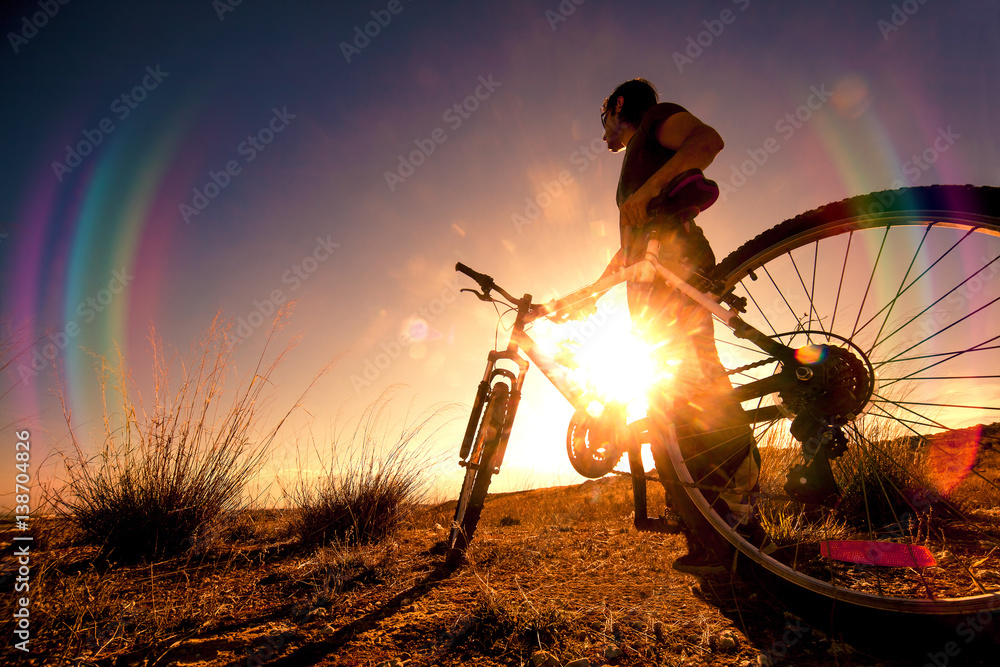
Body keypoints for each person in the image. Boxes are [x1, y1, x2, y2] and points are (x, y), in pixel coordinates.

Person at [597, 78, 760, 576]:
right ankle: (710, 531)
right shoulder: (634, 160)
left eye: (602, 116)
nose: (601, 130)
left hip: (677, 271)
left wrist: (647, 189)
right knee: (671, 403)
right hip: (651, 285)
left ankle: (740, 520)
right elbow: (633, 240)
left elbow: (708, 141)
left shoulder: (655, 122)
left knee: (696, 389)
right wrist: (592, 292)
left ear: (619, 106)